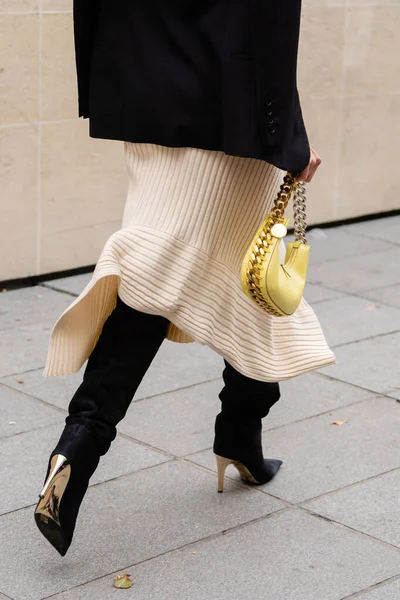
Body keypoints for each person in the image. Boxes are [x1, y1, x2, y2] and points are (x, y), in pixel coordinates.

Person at [34, 0, 336, 556]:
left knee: (183, 267)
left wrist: (110, 71)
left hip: (145, 87)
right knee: (216, 271)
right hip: (229, 100)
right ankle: (91, 439)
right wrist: (286, 131)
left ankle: (220, 436)